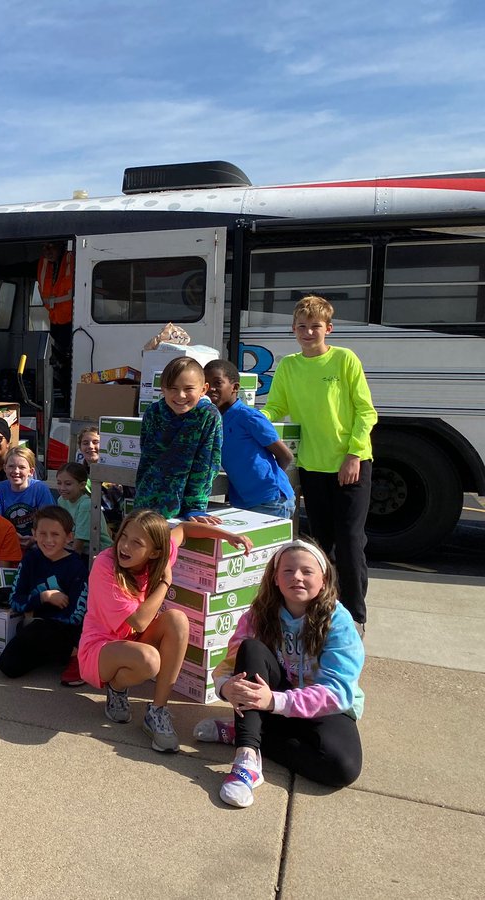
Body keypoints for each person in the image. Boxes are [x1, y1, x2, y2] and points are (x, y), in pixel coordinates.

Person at [197, 540, 364, 808]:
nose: (296, 577)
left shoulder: (339, 622)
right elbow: (231, 663)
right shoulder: (258, 615)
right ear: (275, 578)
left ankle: (245, 733)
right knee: (251, 648)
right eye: (287, 571)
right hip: (271, 693)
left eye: (307, 571)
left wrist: (274, 702)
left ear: (323, 580)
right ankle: (246, 758)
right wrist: (225, 687)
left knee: (342, 768)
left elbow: (338, 692)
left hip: (320, 706)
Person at [76, 509, 252, 753]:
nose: (124, 546)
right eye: (123, 536)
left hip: (134, 640)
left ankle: (157, 711)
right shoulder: (106, 565)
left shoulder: (161, 555)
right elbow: (138, 621)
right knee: (149, 660)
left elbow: (184, 530)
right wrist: (165, 582)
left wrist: (226, 535)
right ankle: (116, 687)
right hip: (100, 649)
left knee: (178, 620)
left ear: (155, 551)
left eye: (136, 542)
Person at [261, 295, 377, 632]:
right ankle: (324, 606)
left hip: (351, 464)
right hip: (312, 466)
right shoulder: (289, 366)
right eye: (302, 327)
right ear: (293, 329)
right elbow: (275, 408)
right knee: (321, 543)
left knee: (351, 540)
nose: (308, 332)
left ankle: (355, 616)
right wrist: (250, 420)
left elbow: (365, 411)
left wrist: (354, 454)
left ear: (329, 328)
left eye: (315, 327)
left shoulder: (344, 359)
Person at [0, 506, 89, 681]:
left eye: (55, 534)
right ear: (34, 533)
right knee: (7, 666)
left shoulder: (76, 567)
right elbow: (15, 600)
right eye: (43, 533)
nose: (48, 540)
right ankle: (49, 654)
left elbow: (77, 616)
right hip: (35, 626)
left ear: (69, 537)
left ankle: (77, 654)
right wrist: (44, 597)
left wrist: (37, 616)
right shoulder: (31, 559)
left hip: (65, 631)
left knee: (35, 629)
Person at [134, 356, 223, 522]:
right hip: (146, 501)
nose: (180, 396)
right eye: (173, 388)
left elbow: (207, 465)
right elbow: (146, 456)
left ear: (203, 389)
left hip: (183, 508)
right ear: (163, 389)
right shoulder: (154, 412)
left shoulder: (207, 415)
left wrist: (195, 507)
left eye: (188, 389)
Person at [203, 359, 296, 519]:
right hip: (242, 501)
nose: (211, 389)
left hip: (270, 501)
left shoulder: (249, 417)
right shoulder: (213, 419)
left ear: (235, 388)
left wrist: (266, 484)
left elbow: (285, 456)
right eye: (206, 384)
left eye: (218, 383)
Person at [0, 446, 56, 549]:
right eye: (11, 466)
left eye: (22, 467)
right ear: (5, 468)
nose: (16, 471)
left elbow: (49, 519)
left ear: (31, 471)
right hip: (6, 538)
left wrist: (35, 538)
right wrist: (11, 536)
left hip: (37, 540)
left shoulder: (40, 488)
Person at [56, 462, 112, 556]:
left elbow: (78, 548)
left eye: (68, 484)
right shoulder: (61, 500)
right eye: (59, 483)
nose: (62, 488)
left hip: (98, 552)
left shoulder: (86, 505)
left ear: (82, 485)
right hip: (78, 547)